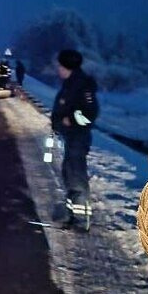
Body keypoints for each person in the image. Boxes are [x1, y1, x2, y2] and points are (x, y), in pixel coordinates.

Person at [50, 49, 99, 230]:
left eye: (60, 66)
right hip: (71, 138)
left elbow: (90, 114)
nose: (58, 69)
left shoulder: (82, 85)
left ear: (67, 66)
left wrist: (70, 119)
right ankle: (72, 215)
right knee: (69, 174)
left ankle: (80, 219)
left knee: (76, 177)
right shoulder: (71, 83)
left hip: (78, 138)